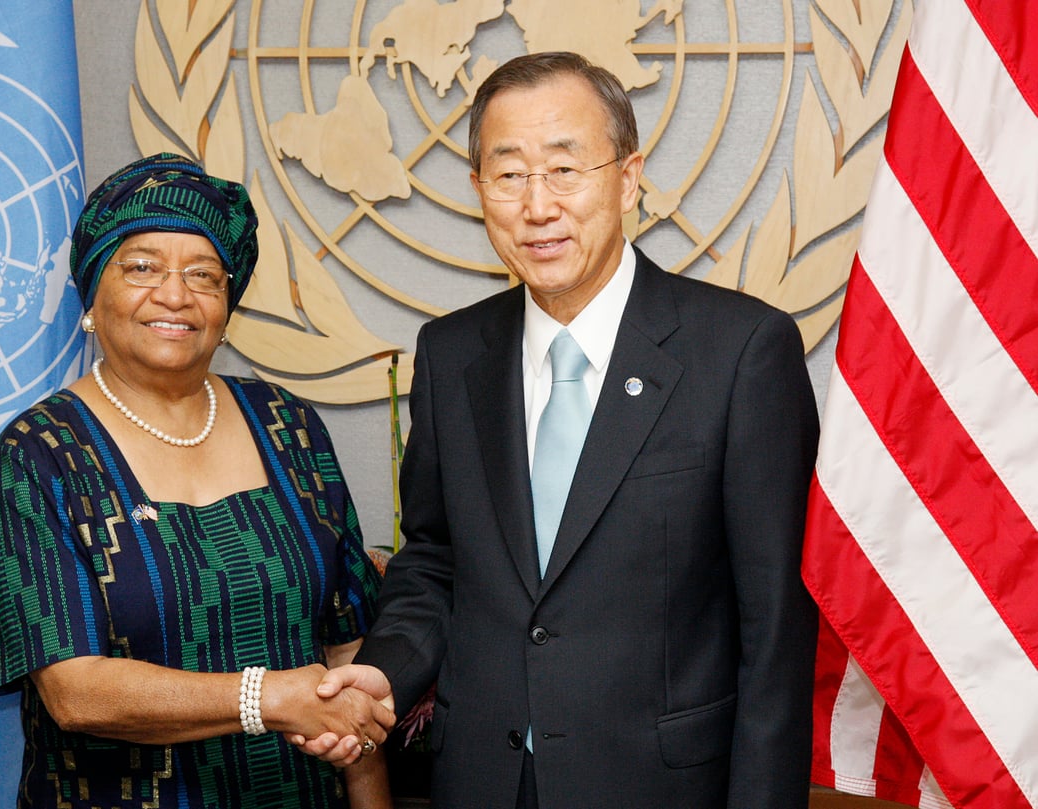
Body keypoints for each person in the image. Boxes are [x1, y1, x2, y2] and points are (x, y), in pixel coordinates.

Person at [301, 52, 820, 807]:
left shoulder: (740, 351)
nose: (537, 205)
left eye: (565, 169)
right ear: (479, 190)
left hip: (664, 784)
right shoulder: (451, 354)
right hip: (481, 778)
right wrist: (382, 671)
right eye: (509, 175)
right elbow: (437, 560)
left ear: (627, 176)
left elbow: (774, 627)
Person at [0, 153, 394, 809]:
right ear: (92, 293)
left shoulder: (288, 426)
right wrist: (267, 697)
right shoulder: (38, 456)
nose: (175, 294)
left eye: (203, 275)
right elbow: (75, 691)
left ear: (226, 303)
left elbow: (347, 656)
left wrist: (370, 796)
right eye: (141, 267)